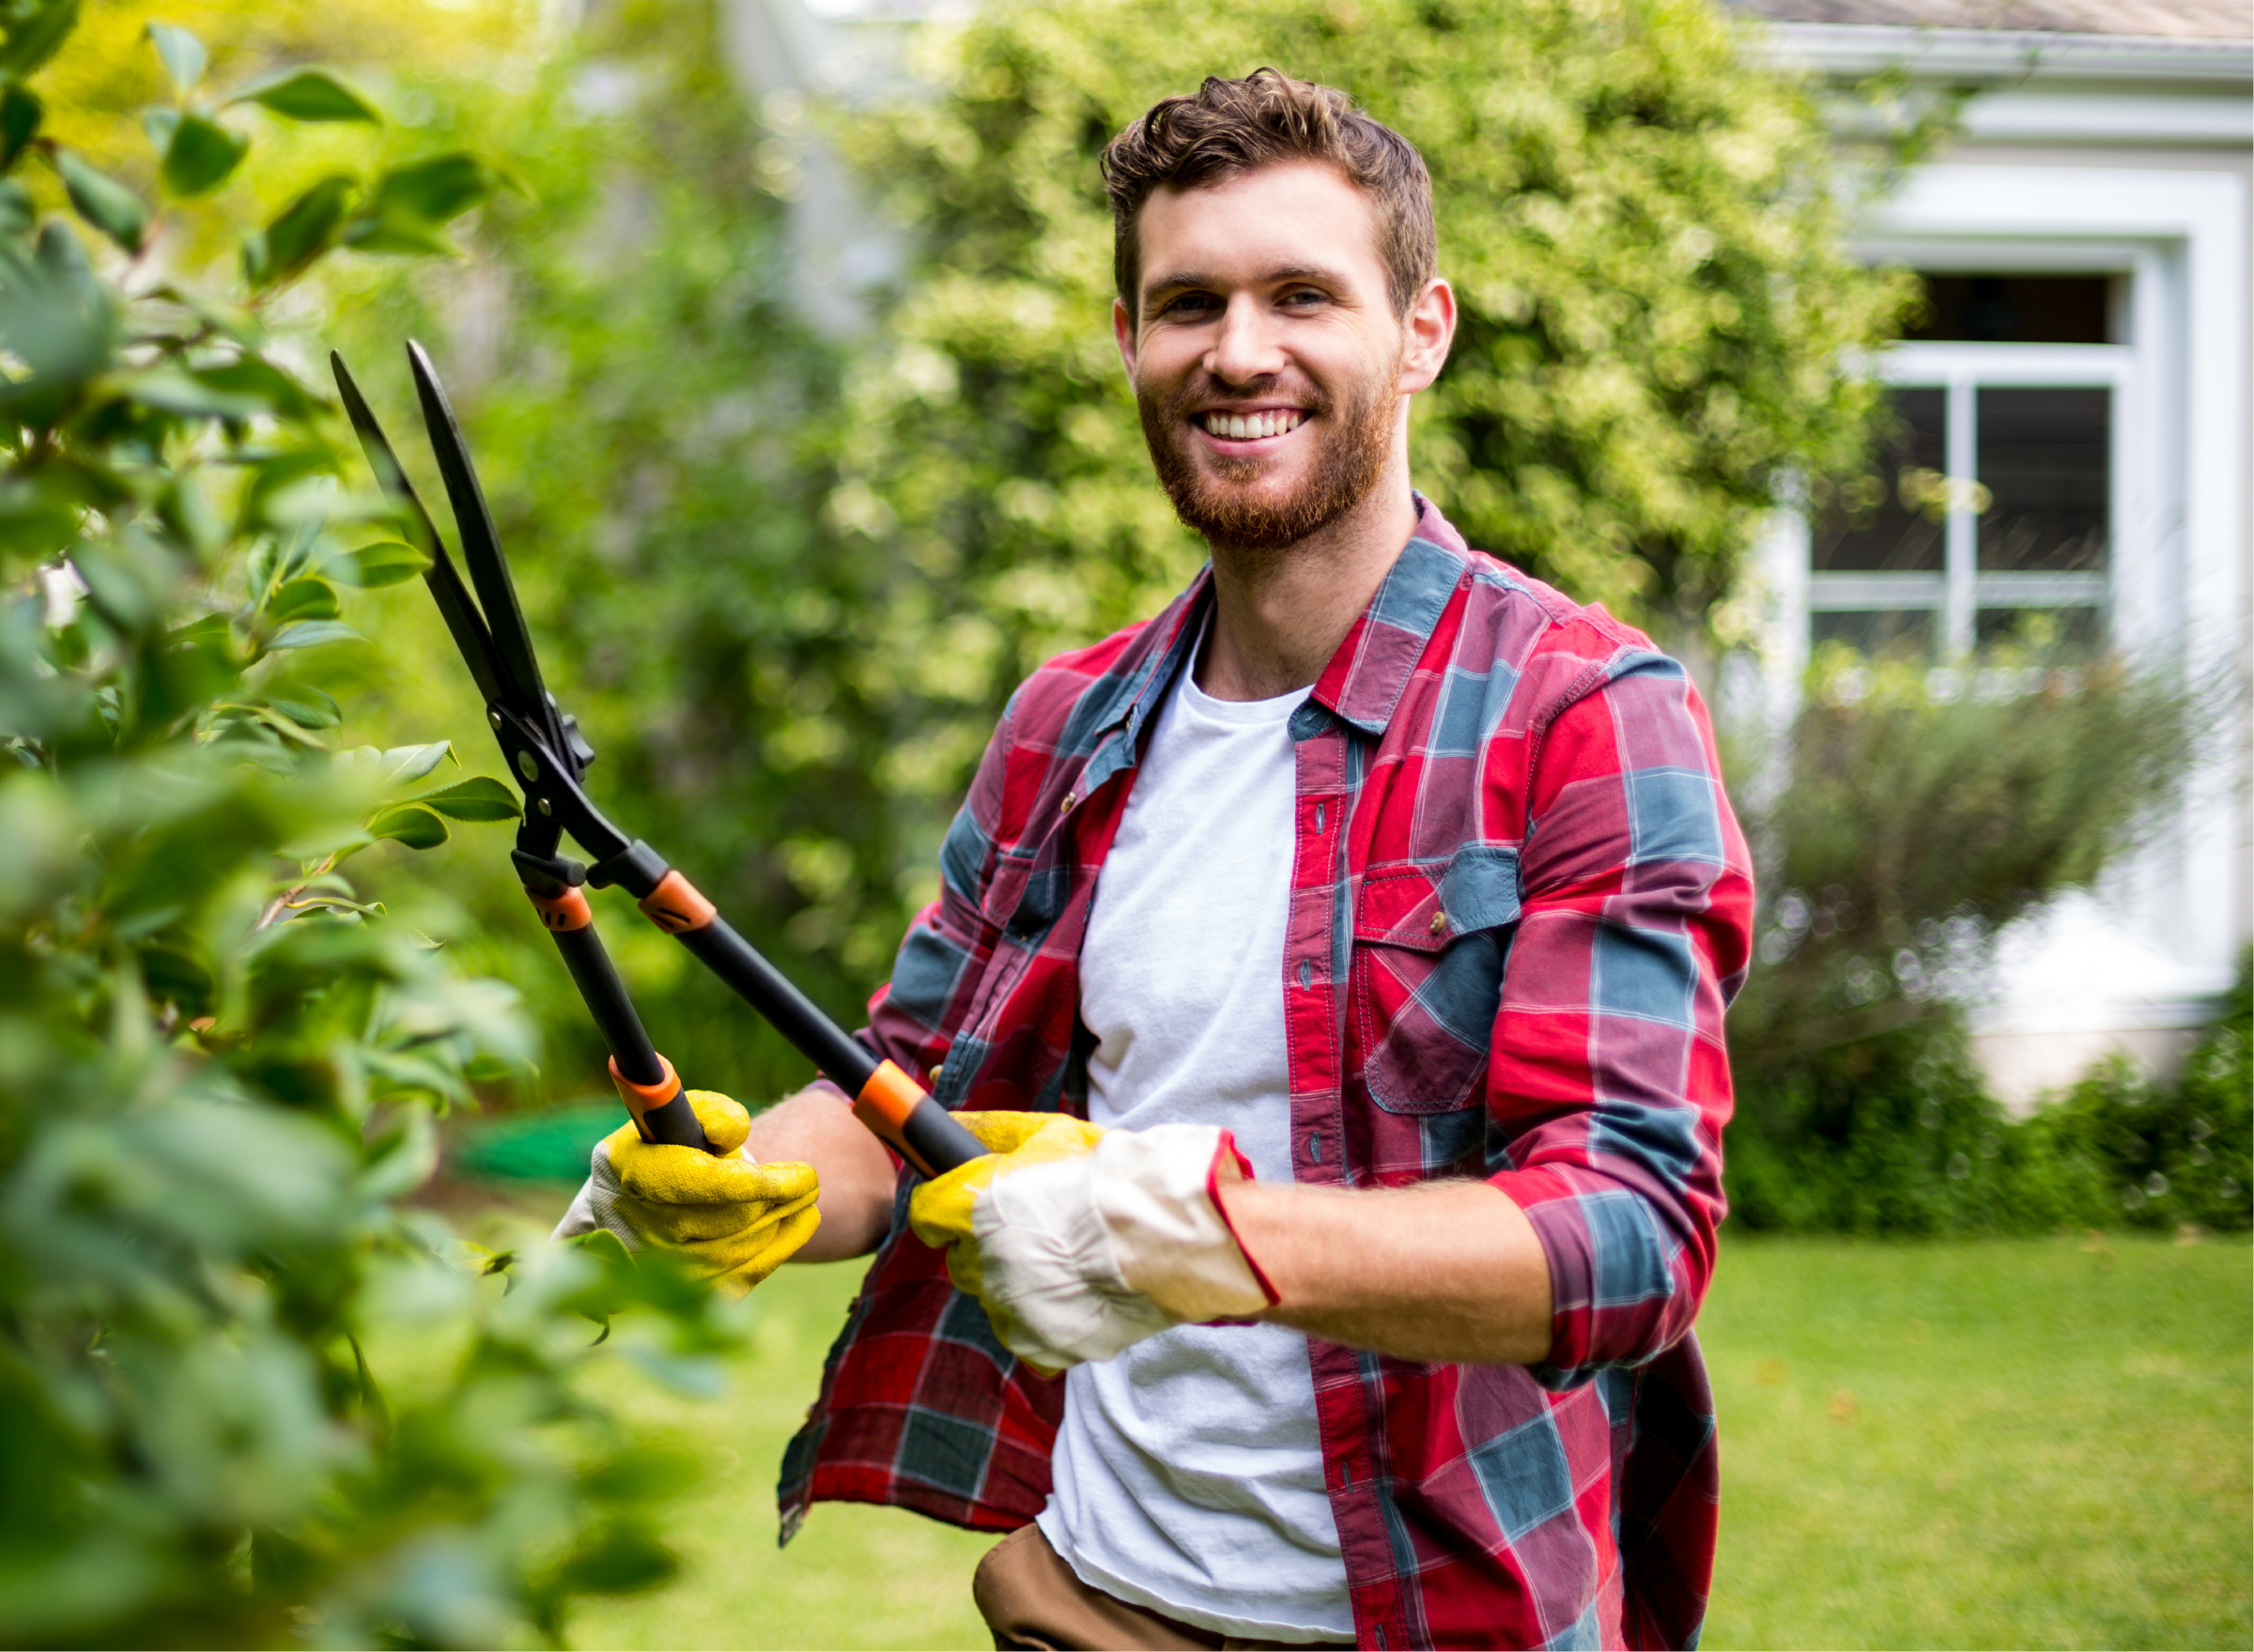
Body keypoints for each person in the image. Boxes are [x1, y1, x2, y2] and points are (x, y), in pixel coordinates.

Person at [557, 68, 1752, 1652]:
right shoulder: (1069, 722)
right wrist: (764, 1173)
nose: (1237, 351)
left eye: (1300, 295)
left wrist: (1189, 1232)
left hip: (1427, 1617)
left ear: (1421, 330)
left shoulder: (1582, 714)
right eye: (1187, 302)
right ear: (1129, 340)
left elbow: (1627, 1233)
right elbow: (908, 1081)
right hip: (1091, 1602)